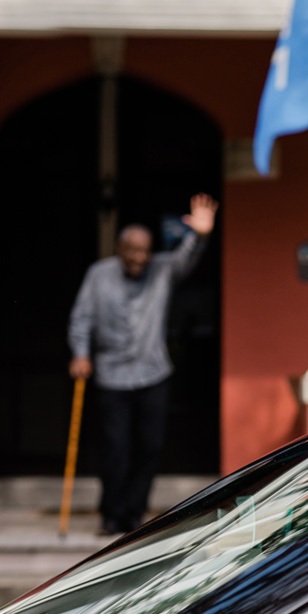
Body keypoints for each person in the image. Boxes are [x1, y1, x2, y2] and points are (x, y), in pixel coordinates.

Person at [68, 195, 218, 535]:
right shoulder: (99, 275)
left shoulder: (162, 270)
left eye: (145, 251)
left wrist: (200, 234)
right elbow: (82, 318)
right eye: (133, 251)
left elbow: (187, 257)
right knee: (115, 449)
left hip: (153, 374)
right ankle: (111, 513)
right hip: (111, 376)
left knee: (150, 446)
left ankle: (134, 514)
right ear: (120, 249)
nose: (139, 257)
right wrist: (80, 353)